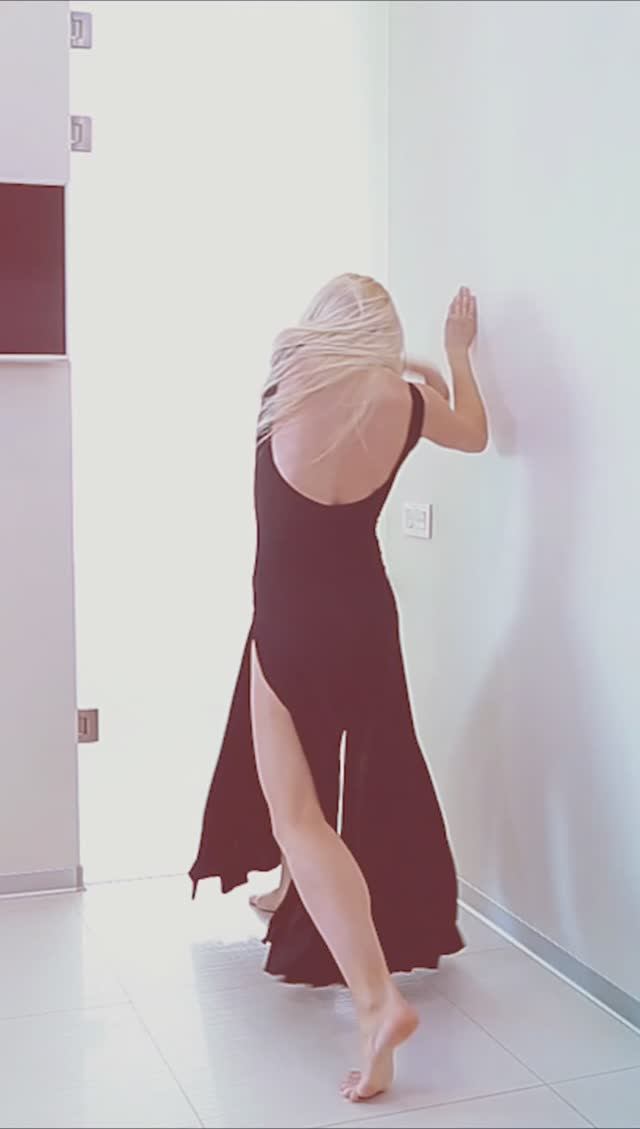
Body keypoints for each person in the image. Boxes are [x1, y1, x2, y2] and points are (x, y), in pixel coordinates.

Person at [190, 277, 487, 1101]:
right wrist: (452, 355)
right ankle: (294, 895)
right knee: (364, 776)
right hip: (366, 615)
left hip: (288, 617)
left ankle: (376, 1000)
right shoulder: (407, 403)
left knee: (298, 811)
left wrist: (404, 361)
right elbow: (473, 432)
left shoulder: (285, 379)